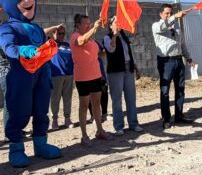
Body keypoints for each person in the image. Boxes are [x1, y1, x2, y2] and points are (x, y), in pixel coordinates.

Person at [0, 0, 62, 167]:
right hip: (19, 76)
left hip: (41, 75)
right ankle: (16, 148)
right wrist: (22, 50)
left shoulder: (37, 28)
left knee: (41, 110)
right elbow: (8, 47)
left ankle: (41, 145)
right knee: (18, 111)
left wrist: (49, 54)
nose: (28, 0)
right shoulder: (7, 27)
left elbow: (43, 48)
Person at [151, 3, 194, 129]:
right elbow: (162, 26)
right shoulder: (157, 26)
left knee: (180, 89)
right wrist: (175, 16)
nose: (169, 15)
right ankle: (166, 118)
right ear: (161, 14)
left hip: (178, 60)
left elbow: (182, 44)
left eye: (171, 12)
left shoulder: (176, 26)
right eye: (167, 13)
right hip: (166, 61)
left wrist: (189, 58)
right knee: (165, 91)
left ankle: (179, 115)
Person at [70, 14, 111, 146]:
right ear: (78, 25)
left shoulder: (92, 39)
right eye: (86, 23)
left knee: (96, 103)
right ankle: (84, 135)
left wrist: (106, 51)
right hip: (82, 77)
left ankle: (100, 131)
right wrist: (93, 28)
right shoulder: (75, 36)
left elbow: (97, 53)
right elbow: (81, 41)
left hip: (95, 75)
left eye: (89, 22)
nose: (88, 24)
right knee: (83, 106)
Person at [103, 18, 143, 135]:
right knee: (117, 100)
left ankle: (133, 124)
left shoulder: (124, 37)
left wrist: (136, 68)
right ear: (111, 25)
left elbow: (129, 55)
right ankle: (119, 126)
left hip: (128, 69)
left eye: (119, 22)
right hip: (116, 71)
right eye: (116, 22)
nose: (119, 24)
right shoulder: (107, 37)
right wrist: (114, 36)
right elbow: (110, 49)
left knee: (131, 98)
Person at [48, 25, 74, 130]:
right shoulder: (50, 44)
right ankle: (54, 121)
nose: (62, 35)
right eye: (59, 33)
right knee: (55, 99)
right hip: (56, 75)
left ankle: (67, 119)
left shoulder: (67, 45)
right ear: (53, 34)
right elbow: (42, 33)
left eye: (63, 33)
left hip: (69, 75)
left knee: (67, 98)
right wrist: (54, 27)